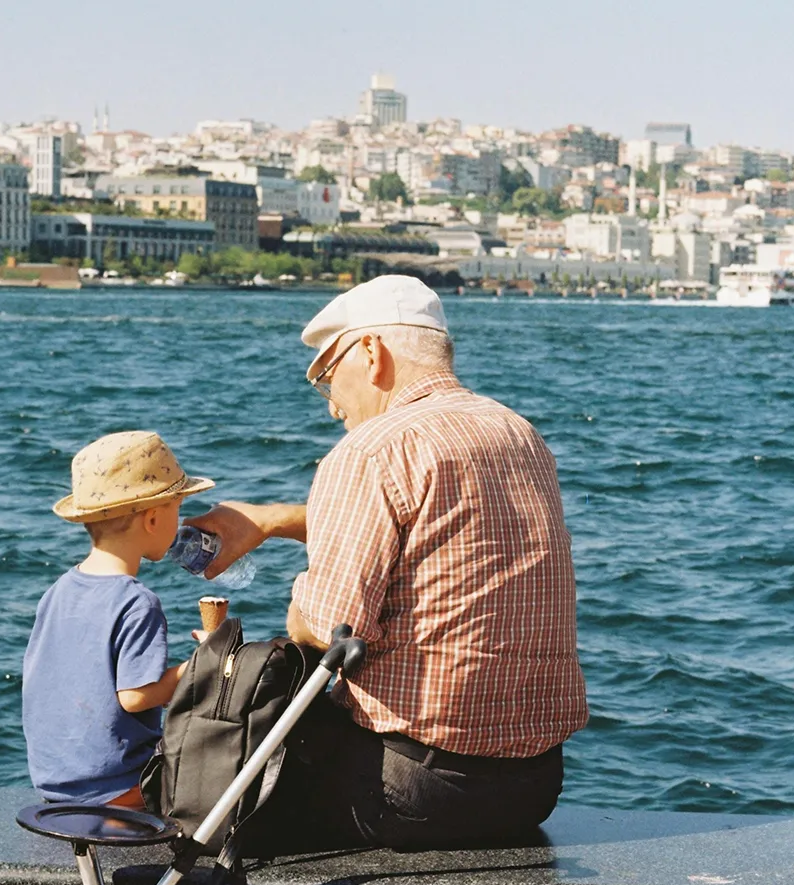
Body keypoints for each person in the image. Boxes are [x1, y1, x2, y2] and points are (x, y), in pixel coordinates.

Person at [187, 276, 587, 851]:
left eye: (326, 376)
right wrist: (274, 521)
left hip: (413, 792)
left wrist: (300, 604)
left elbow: (328, 631)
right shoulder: (518, 434)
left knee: (208, 745)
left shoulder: (372, 449)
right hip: (535, 785)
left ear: (371, 353)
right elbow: (435, 533)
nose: (331, 404)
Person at [23, 430, 213, 810]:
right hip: (118, 790)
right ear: (154, 518)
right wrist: (204, 662)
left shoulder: (58, 590)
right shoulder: (137, 601)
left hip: (55, 784)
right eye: (178, 507)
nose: (182, 519)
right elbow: (137, 695)